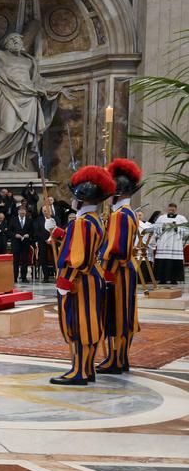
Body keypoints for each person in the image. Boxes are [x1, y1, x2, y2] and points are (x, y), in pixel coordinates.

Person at [53, 166, 114, 386]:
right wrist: (62, 234)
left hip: (80, 280)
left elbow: (77, 257)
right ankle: (87, 369)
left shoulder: (82, 222)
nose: (72, 200)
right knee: (91, 323)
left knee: (79, 325)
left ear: (81, 199)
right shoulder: (95, 220)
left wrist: (64, 281)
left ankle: (78, 371)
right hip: (93, 277)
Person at [98, 158, 143, 375]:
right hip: (124, 270)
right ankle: (120, 357)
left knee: (118, 315)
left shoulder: (121, 216)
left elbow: (118, 249)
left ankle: (116, 359)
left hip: (118, 271)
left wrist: (107, 272)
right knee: (123, 314)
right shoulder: (127, 213)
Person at [149, 203, 188, 285]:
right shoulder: (161, 218)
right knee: (162, 260)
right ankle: (162, 279)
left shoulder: (181, 218)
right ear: (168, 209)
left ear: (175, 209)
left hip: (175, 243)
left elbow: (186, 230)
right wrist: (163, 227)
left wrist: (176, 227)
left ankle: (174, 279)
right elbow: (155, 228)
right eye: (170, 209)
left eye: (173, 209)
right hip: (163, 242)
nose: (171, 211)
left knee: (174, 260)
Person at [10, 204, 34, 282]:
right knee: (15, 261)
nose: (22, 215)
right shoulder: (13, 220)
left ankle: (24, 277)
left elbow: (32, 231)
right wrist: (15, 235)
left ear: (25, 213)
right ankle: (14, 278)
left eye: (23, 213)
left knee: (25, 261)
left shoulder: (29, 220)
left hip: (25, 243)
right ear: (18, 212)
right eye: (21, 213)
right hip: (16, 243)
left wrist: (28, 234)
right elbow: (9, 231)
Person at [34, 203, 57, 283]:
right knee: (43, 259)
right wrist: (46, 239)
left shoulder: (54, 218)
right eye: (44, 210)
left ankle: (57, 276)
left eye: (47, 210)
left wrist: (51, 239)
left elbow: (57, 228)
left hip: (53, 241)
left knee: (55, 259)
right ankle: (46, 277)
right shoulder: (38, 219)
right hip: (42, 241)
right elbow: (37, 231)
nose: (45, 212)